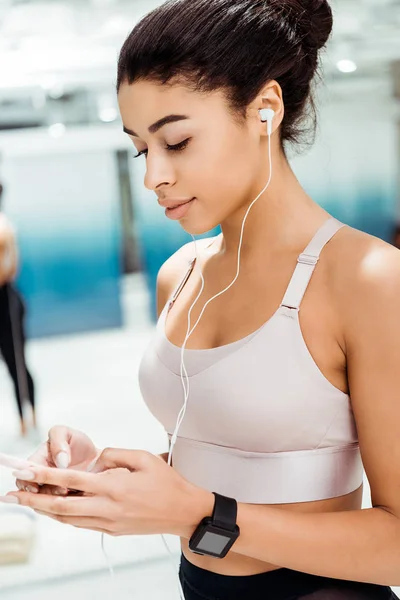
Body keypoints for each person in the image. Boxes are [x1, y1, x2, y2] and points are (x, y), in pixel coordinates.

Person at [3, 0, 400, 598]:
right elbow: (234, 464)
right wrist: (107, 477)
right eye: (141, 149)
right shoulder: (181, 274)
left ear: (264, 110)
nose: (153, 177)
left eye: (178, 142)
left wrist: (200, 514)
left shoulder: (369, 280)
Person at [0, 182, 36, 437]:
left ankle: (28, 416)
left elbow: (10, 270)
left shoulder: (4, 227)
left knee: (16, 364)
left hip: (6, 303)